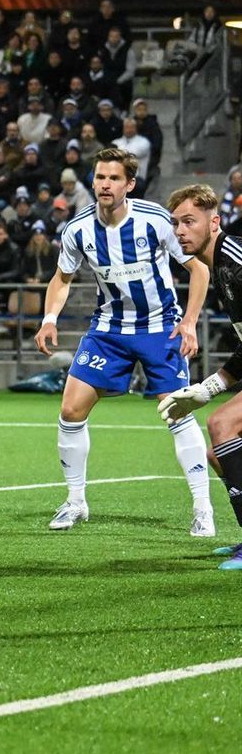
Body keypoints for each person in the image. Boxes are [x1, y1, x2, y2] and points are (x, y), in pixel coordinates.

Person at [34, 147, 212, 536]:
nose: (105, 184)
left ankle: (202, 507)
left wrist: (190, 322)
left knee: (176, 412)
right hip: (109, 330)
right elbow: (61, 279)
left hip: (159, 327)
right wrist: (49, 319)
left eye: (114, 178)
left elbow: (198, 268)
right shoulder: (78, 229)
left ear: (129, 184)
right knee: (70, 410)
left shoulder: (155, 221)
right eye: (100, 177)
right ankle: (76, 501)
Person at [161, 184, 242, 567]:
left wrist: (210, 388)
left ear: (214, 222)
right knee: (219, 453)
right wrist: (208, 387)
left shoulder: (236, 262)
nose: (180, 231)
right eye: (176, 222)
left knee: (222, 424)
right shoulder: (217, 269)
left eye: (189, 221)